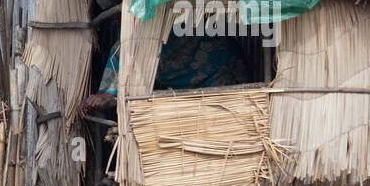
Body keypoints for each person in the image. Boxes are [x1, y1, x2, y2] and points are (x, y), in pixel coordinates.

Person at [80, 32, 250, 117]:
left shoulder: (137, 37)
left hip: (221, 70)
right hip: (208, 70)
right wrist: (108, 94)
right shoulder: (131, 37)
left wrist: (109, 94)